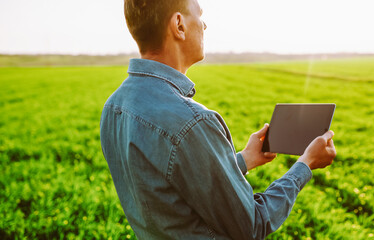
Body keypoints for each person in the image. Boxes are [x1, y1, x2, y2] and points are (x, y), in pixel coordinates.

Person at [100, 0, 337, 239]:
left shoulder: (114, 106)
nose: (204, 25)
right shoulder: (193, 123)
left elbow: (169, 185)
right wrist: (305, 165)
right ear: (179, 25)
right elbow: (251, 225)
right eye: (199, 15)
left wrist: (244, 159)